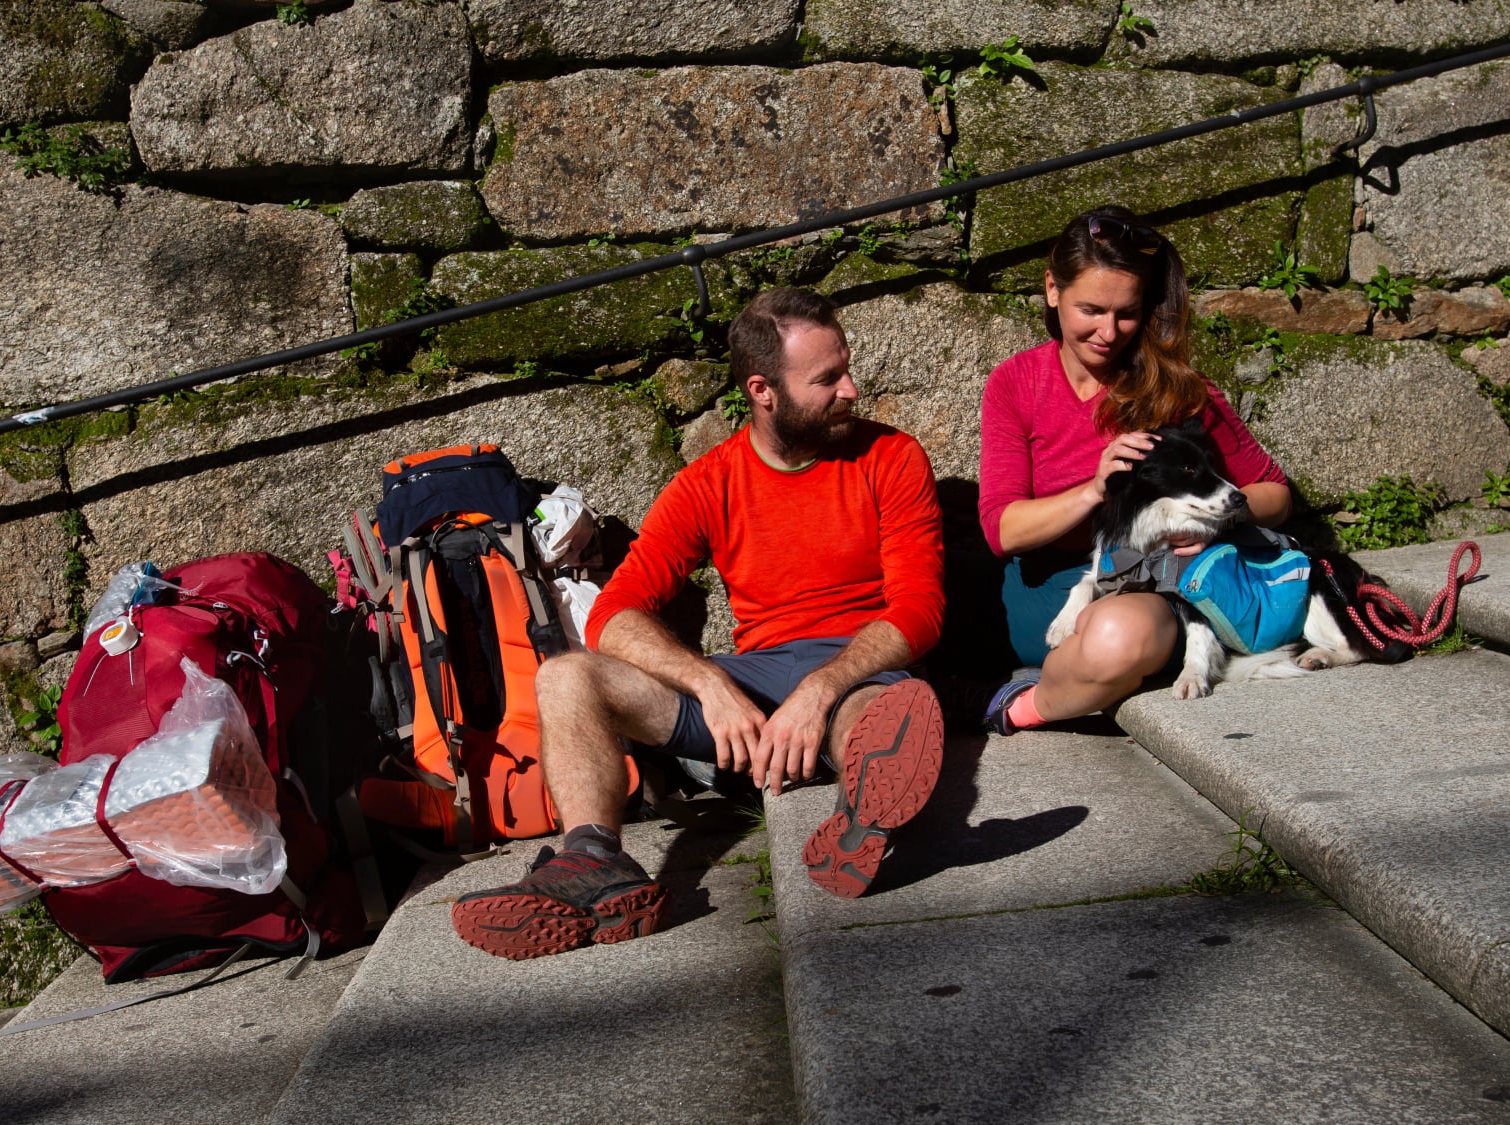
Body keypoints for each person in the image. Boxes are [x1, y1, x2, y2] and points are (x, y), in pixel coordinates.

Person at [452, 287, 948, 960]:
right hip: (750, 683)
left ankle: (862, 818)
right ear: (762, 390)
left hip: (859, 665)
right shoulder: (708, 483)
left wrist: (822, 687)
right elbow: (613, 614)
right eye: (827, 378)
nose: (852, 390)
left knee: (884, 714)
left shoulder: (892, 459)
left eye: (846, 368)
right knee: (568, 676)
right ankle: (596, 862)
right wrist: (709, 683)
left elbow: (919, 609)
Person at [977, 206, 1292, 734]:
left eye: (1127, 313)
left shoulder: (1175, 387)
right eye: (1091, 309)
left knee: (1116, 637)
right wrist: (1094, 490)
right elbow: (1001, 529)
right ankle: (1082, 679)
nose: (1109, 331)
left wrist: (1211, 522)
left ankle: (1016, 705)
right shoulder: (1016, 382)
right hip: (1046, 586)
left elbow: (1275, 495)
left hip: (1148, 587)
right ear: (1052, 289)